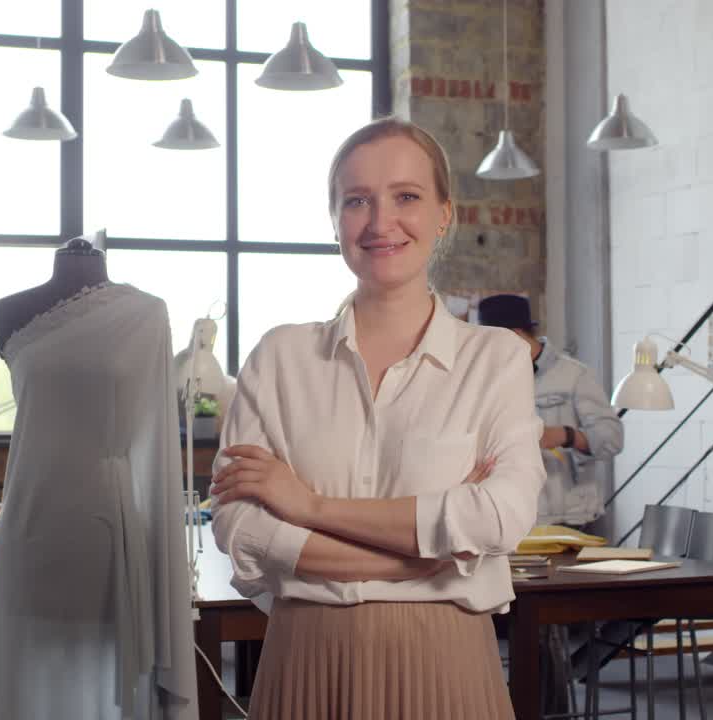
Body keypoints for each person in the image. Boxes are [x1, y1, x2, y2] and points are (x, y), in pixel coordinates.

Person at [209, 117, 546, 719]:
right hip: (305, 665)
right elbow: (241, 529)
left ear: (445, 212)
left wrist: (310, 508)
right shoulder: (280, 357)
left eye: (407, 197)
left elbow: (499, 518)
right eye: (357, 200)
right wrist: (432, 554)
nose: (380, 220)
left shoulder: (495, 359)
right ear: (335, 219)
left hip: (446, 666)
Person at [0, 242, 197, 719]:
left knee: (116, 683)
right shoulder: (8, 311)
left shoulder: (146, 315)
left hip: (112, 535)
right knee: (30, 684)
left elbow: (156, 437)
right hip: (30, 533)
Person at [477, 294, 624, 531]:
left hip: (572, 521)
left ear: (515, 335)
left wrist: (566, 435)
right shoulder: (486, 380)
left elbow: (612, 438)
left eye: (491, 344)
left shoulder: (575, 375)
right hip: (508, 518)